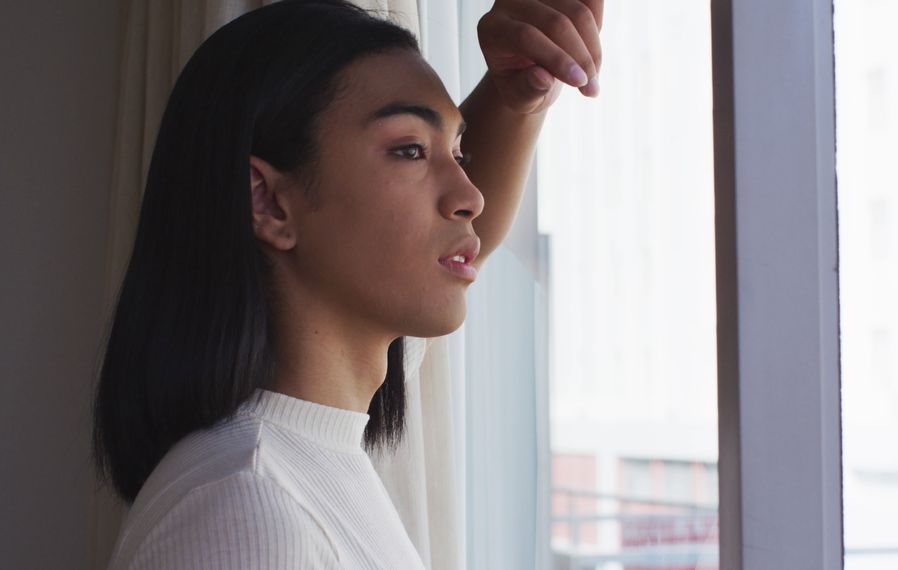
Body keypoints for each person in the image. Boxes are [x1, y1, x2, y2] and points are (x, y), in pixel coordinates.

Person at [93, 0, 603, 567]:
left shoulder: (304, 455)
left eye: (457, 152)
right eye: (409, 149)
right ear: (268, 202)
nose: (470, 197)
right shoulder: (248, 512)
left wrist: (520, 94)